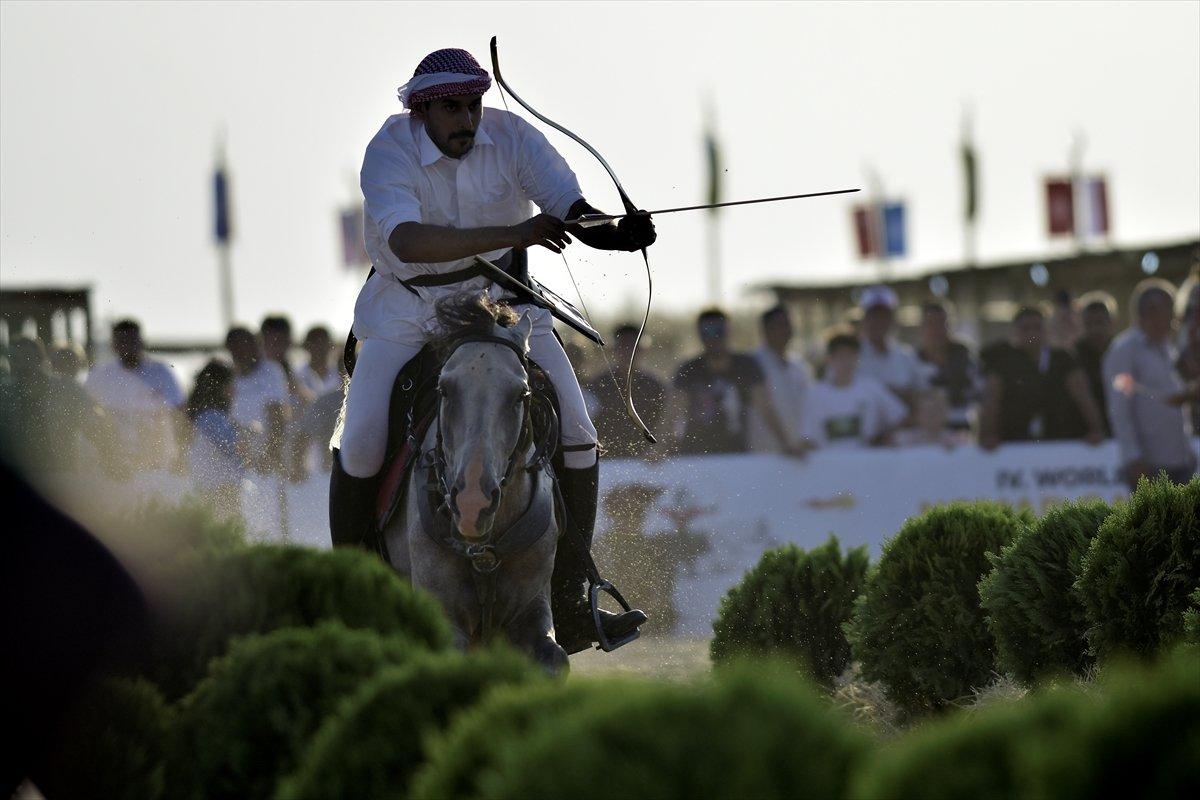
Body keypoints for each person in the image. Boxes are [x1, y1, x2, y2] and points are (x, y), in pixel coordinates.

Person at [332, 47, 654, 652]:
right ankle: (355, 604)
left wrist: (616, 234)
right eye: (453, 108)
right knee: (362, 438)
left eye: (475, 105)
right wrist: (516, 233)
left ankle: (572, 598)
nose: (468, 120)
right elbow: (408, 240)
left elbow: (572, 211)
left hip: (505, 304)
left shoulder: (512, 137)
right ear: (422, 109)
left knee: (581, 432)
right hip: (409, 312)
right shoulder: (390, 149)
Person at [1103, 281, 1197, 489]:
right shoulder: (1124, 350)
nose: (1175, 319)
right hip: (1148, 467)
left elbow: (1173, 400)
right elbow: (1119, 409)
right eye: (1171, 312)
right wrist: (1133, 458)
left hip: (1181, 462)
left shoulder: (1168, 348)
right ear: (1151, 312)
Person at [979, 307, 1106, 449]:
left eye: (1037, 327)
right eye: (1025, 328)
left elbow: (1083, 396)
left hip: (1059, 441)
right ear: (1015, 332)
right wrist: (988, 435)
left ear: (1047, 330)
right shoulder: (1003, 362)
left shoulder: (1063, 359)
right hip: (1015, 444)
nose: (1032, 333)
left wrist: (1096, 429)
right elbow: (991, 401)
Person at [0, 337, 119, 478]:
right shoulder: (4, 394)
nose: (20, 365)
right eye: (14, 359)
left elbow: (96, 427)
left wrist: (111, 460)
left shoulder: (66, 389)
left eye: (26, 358)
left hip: (61, 476)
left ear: (41, 359)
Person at [83, 319, 185, 473]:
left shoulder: (161, 372)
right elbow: (84, 414)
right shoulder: (99, 376)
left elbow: (179, 413)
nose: (128, 346)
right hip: (113, 463)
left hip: (158, 461)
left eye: (132, 341)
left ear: (142, 342)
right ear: (113, 345)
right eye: (122, 341)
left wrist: (181, 454)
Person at [671, 308, 768, 454]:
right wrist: (658, 447)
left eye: (719, 331)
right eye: (706, 332)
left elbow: (766, 407)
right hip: (695, 457)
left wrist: (786, 443)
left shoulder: (746, 365)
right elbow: (672, 411)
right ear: (699, 335)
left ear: (730, 332)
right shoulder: (689, 369)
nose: (713, 338)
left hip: (735, 455)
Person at [801, 333, 907, 449]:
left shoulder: (871, 387)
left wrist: (883, 438)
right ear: (829, 359)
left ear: (857, 358)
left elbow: (900, 416)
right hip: (830, 463)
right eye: (840, 357)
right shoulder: (815, 394)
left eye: (850, 356)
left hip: (868, 461)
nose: (845, 363)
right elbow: (807, 436)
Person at [585, 323, 666, 458]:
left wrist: (658, 449)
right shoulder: (597, 385)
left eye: (633, 347)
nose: (627, 352)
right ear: (613, 350)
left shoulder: (655, 386)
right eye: (623, 346)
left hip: (647, 462)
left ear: (643, 350)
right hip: (607, 461)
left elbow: (665, 423)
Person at [746, 304, 811, 455]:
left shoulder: (800, 366)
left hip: (798, 454)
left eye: (787, 324)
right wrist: (785, 442)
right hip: (762, 456)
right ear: (765, 330)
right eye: (779, 325)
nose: (785, 330)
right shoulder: (752, 363)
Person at [225, 327, 291, 475]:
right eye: (237, 348)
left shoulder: (271, 370)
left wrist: (269, 454)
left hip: (266, 461)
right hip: (238, 462)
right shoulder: (229, 376)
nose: (242, 352)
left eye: (246, 346)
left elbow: (277, 416)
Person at [185, 359, 244, 514]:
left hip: (214, 486)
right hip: (219, 488)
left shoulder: (207, 415)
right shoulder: (211, 416)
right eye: (231, 384)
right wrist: (248, 433)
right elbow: (231, 446)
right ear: (221, 387)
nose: (235, 390)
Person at [915, 301, 979, 434]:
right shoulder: (911, 362)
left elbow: (979, 396)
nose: (937, 330)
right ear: (921, 328)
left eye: (942, 323)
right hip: (925, 436)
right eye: (931, 324)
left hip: (962, 432)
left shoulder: (966, 358)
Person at [856, 285, 921, 413]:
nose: (878, 321)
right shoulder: (851, 356)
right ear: (864, 318)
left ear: (893, 319)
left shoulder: (906, 356)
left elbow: (920, 398)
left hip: (902, 430)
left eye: (884, 316)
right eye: (873, 315)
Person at [1073, 294, 1116, 436]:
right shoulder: (1074, 356)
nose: (1095, 329)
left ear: (1111, 323)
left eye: (1100, 322)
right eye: (1089, 324)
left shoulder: (1122, 352)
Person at [296, 325, 343, 398]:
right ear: (306, 346)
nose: (319, 346)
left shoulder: (341, 374)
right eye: (315, 342)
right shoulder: (298, 375)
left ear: (330, 345)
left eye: (323, 342)